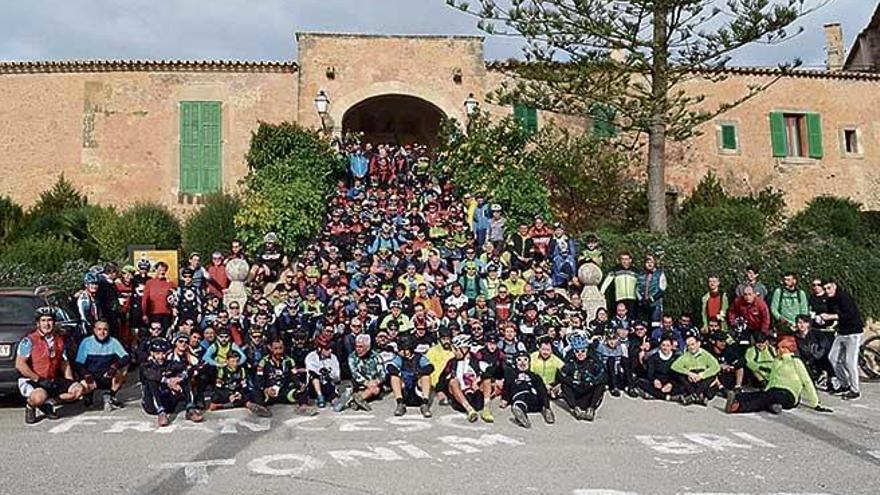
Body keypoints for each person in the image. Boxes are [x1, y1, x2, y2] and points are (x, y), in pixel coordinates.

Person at [725, 336, 833, 415]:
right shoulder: (777, 361)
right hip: (775, 389)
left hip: (789, 395)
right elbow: (772, 378)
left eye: (780, 348)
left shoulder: (795, 361)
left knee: (768, 397)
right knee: (762, 394)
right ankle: (737, 397)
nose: (777, 350)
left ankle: (738, 407)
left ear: (787, 349)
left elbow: (807, 381)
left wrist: (815, 403)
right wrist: (766, 389)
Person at [16, 308, 87, 424]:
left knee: (78, 390)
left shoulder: (59, 340)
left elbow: (64, 362)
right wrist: (38, 379)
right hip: (33, 379)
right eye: (43, 321)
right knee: (39, 397)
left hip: (52, 378)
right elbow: (20, 365)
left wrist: (69, 380)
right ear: (38, 323)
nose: (46, 324)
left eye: (49, 320)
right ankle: (31, 406)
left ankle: (49, 403)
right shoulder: (28, 340)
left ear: (54, 322)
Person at [140, 339, 204, 427]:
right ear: (152, 353)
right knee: (152, 381)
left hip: (169, 401)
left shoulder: (170, 364)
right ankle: (161, 412)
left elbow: (190, 369)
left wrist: (179, 378)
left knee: (185, 378)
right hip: (151, 404)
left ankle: (190, 408)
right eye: (157, 354)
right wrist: (168, 381)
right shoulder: (146, 365)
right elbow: (151, 375)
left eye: (163, 353)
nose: (161, 356)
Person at [821, 279, 864, 400]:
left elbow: (850, 314)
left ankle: (855, 390)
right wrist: (822, 319)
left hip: (853, 332)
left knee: (849, 361)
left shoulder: (844, 297)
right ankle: (844, 385)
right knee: (833, 358)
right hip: (841, 332)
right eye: (825, 289)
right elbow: (830, 316)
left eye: (829, 288)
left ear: (834, 286)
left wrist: (831, 316)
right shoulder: (830, 299)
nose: (827, 291)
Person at [74, 319, 130, 411]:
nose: (102, 332)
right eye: (99, 329)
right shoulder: (86, 342)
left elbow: (126, 357)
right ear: (94, 330)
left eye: (105, 329)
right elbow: (78, 363)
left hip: (107, 375)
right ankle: (88, 395)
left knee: (123, 370)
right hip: (91, 377)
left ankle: (110, 395)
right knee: (83, 385)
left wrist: (114, 367)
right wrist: (86, 374)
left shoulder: (113, 341)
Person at [437, 334, 494, 423]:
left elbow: (491, 370)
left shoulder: (476, 360)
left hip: (476, 395)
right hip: (460, 399)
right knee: (453, 381)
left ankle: (486, 409)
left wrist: (478, 380)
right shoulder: (452, 363)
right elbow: (442, 379)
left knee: (487, 380)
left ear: (464, 349)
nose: (453, 352)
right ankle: (470, 410)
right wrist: (440, 391)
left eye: (455, 349)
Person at [254, 338, 312, 414]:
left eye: (280, 348)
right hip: (269, 393)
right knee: (255, 391)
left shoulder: (289, 361)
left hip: (284, 392)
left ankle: (303, 407)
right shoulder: (264, 361)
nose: (278, 351)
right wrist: (266, 389)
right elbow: (259, 379)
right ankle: (261, 408)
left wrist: (300, 385)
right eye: (275, 348)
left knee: (303, 390)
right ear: (271, 349)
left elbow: (294, 376)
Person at [558, 334, 607, 421]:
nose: (580, 354)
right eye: (577, 351)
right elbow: (561, 375)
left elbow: (603, 376)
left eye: (583, 351)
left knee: (601, 386)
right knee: (564, 385)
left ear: (587, 350)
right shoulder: (570, 362)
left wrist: (592, 382)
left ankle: (591, 409)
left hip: (589, 392)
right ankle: (575, 409)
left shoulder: (593, 361)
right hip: (576, 393)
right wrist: (574, 382)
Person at [501, 351, 555, 429]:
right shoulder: (511, 375)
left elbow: (542, 390)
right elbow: (507, 388)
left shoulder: (534, 375)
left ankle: (546, 410)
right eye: (519, 360)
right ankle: (522, 416)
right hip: (520, 397)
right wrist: (505, 399)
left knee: (541, 392)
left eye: (525, 360)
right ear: (515, 363)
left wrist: (546, 403)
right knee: (518, 402)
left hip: (534, 398)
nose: (522, 363)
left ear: (529, 362)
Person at [208, 350, 271, 417]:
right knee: (215, 397)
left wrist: (240, 393)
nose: (235, 364)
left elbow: (244, 386)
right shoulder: (222, 371)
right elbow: (218, 388)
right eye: (232, 361)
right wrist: (229, 395)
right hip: (226, 392)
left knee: (251, 393)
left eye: (237, 361)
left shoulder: (242, 370)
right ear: (227, 361)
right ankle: (243, 404)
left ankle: (249, 405)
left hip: (237, 392)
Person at [387, 334, 434, 417]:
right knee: (394, 377)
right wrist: (399, 374)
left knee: (426, 377)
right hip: (405, 390)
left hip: (417, 390)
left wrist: (419, 373)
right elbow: (390, 367)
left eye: (402, 349)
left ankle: (425, 404)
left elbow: (430, 367)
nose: (400, 351)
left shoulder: (419, 357)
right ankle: (400, 403)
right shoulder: (399, 358)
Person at [671, 334, 720, 406]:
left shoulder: (705, 354)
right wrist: (689, 373)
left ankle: (694, 395)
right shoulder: (686, 355)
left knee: (712, 376)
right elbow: (674, 366)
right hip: (691, 379)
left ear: (698, 344)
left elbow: (716, 367)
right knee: (679, 375)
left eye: (693, 344)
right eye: (688, 345)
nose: (691, 347)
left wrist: (702, 375)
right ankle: (698, 396)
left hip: (702, 378)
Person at [344, 334, 386, 411]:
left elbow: (382, 373)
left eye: (361, 347)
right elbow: (355, 373)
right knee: (374, 390)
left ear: (368, 347)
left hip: (374, 383)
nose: (358, 349)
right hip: (359, 383)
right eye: (356, 346)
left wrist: (376, 381)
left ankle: (357, 400)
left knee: (375, 389)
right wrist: (367, 383)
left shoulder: (376, 356)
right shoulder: (352, 357)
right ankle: (359, 398)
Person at [638, 336, 680, 401]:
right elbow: (650, 373)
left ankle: (655, 395)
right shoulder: (653, 357)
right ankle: (667, 397)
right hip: (657, 382)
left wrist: (670, 384)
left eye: (668, 346)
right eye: (663, 345)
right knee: (640, 383)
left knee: (682, 385)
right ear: (660, 346)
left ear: (671, 347)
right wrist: (654, 380)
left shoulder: (676, 358)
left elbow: (677, 374)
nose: (665, 348)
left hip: (670, 382)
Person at [304, 336, 342, 408]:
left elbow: (337, 377)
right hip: (314, 387)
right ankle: (320, 396)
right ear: (319, 348)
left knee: (328, 383)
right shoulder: (311, 356)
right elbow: (311, 371)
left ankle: (334, 400)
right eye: (327, 349)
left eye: (331, 348)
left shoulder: (333, 357)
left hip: (327, 384)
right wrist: (321, 370)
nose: (330, 351)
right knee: (314, 376)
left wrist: (329, 373)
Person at [599, 252, 638, 317]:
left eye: (626, 259)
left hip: (632, 299)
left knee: (632, 317)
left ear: (630, 260)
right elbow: (606, 282)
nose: (625, 261)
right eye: (622, 259)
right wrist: (601, 292)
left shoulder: (635, 271)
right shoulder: (615, 270)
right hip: (620, 298)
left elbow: (640, 284)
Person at [142, 261, 175, 330]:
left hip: (167, 314)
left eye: (164, 270)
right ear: (156, 270)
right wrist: (144, 314)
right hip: (153, 314)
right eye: (160, 270)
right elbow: (144, 300)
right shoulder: (149, 283)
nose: (162, 272)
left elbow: (174, 300)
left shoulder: (170, 284)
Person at [636, 254, 667, 327]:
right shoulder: (641, 275)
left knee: (655, 323)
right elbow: (637, 288)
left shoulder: (660, 274)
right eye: (647, 262)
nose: (649, 264)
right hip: (643, 304)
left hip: (655, 303)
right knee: (643, 324)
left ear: (655, 263)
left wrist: (652, 298)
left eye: (651, 262)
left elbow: (662, 289)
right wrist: (641, 299)